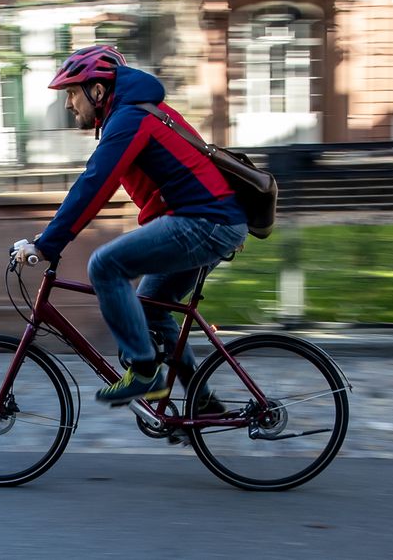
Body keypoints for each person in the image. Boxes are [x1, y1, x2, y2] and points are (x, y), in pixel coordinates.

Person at [14, 45, 248, 411]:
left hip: (205, 221)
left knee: (104, 265)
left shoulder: (130, 118)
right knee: (150, 308)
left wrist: (47, 244)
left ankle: (144, 371)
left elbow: (94, 184)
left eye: (73, 92)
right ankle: (201, 402)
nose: (68, 103)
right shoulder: (133, 114)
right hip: (210, 220)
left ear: (99, 90)